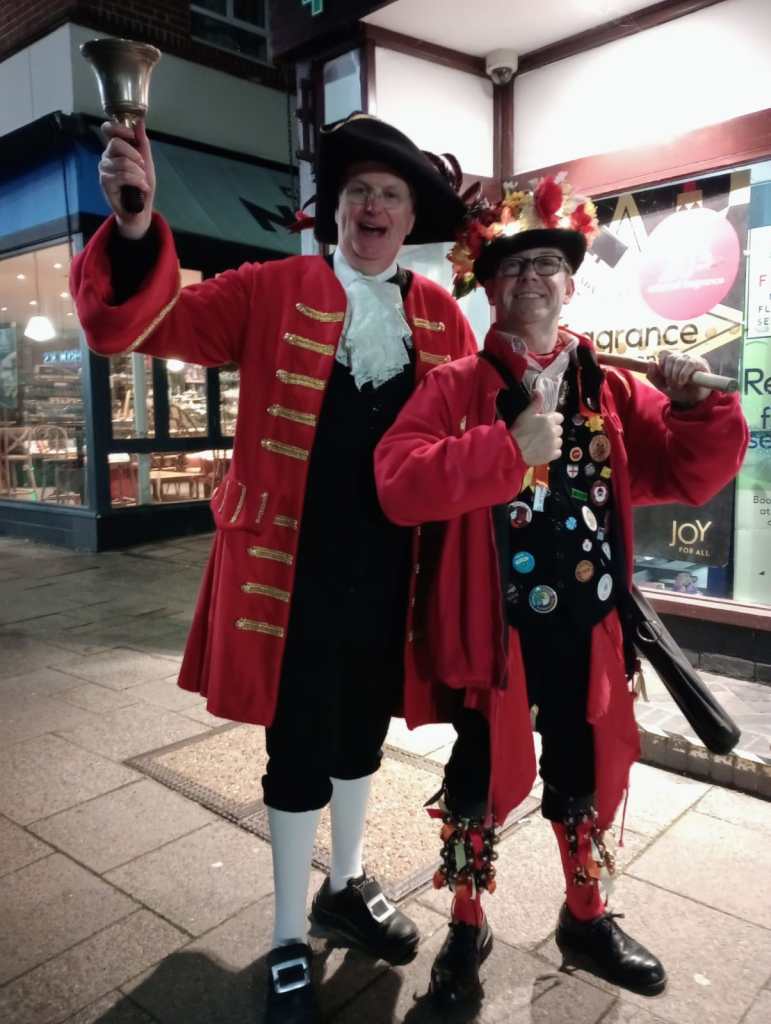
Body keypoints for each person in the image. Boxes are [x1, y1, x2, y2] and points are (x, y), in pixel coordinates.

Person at [71, 111, 477, 1024]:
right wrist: (134, 225)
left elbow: (477, 426)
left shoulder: (439, 314)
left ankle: (347, 883)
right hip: (291, 574)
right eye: (359, 191)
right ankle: (289, 931)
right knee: (295, 748)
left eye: (391, 194)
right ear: (335, 208)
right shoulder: (270, 287)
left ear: (410, 218)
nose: (373, 207)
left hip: (393, 573)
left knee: (361, 732)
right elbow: (145, 323)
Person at [374, 177, 748, 1007]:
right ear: (488, 288)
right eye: (512, 267)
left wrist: (693, 409)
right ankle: (465, 925)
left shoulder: (610, 386)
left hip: (587, 623)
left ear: (570, 285)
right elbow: (397, 482)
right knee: (474, 778)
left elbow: (685, 475)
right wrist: (502, 449)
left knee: (580, 768)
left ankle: (585, 914)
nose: (531, 278)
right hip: (492, 629)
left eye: (546, 264)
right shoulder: (454, 385)